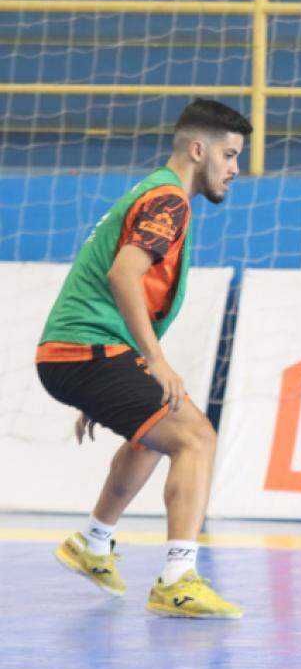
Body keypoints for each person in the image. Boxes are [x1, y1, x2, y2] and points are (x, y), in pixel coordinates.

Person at [37, 98, 251, 619]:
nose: (235, 169)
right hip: (87, 347)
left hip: (80, 350)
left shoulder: (152, 190)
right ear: (198, 149)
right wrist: (152, 360)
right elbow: (122, 274)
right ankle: (178, 580)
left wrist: (113, 375)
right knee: (196, 437)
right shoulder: (168, 200)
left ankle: (93, 540)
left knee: (155, 429)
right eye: (229, 155)